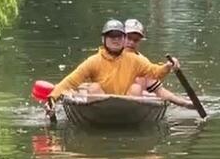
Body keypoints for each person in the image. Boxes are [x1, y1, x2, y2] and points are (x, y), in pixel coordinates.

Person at [46, 19, 179, 114]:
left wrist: (168, 66)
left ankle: (126, 118)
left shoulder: (135, 60)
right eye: (111, 36)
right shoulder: (93, 61)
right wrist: (52, 98)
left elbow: (155, 72)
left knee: (136, 88)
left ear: (123, 39)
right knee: (94, 87)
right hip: (101, 109)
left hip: (127, 108)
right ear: (103, 39)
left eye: (119, 36)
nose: (115, 39)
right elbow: (70, 81)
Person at [124, 19, 196, 109]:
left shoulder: (141, 61)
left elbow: (159, 90)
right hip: (112, 97)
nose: (131, 42)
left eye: (135, 40)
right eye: (128, 38)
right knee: (135, 89)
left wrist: (185, 103)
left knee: (137, 88)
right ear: (120, 37)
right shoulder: (107, 55)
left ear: (139, 41)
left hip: (132, 101)